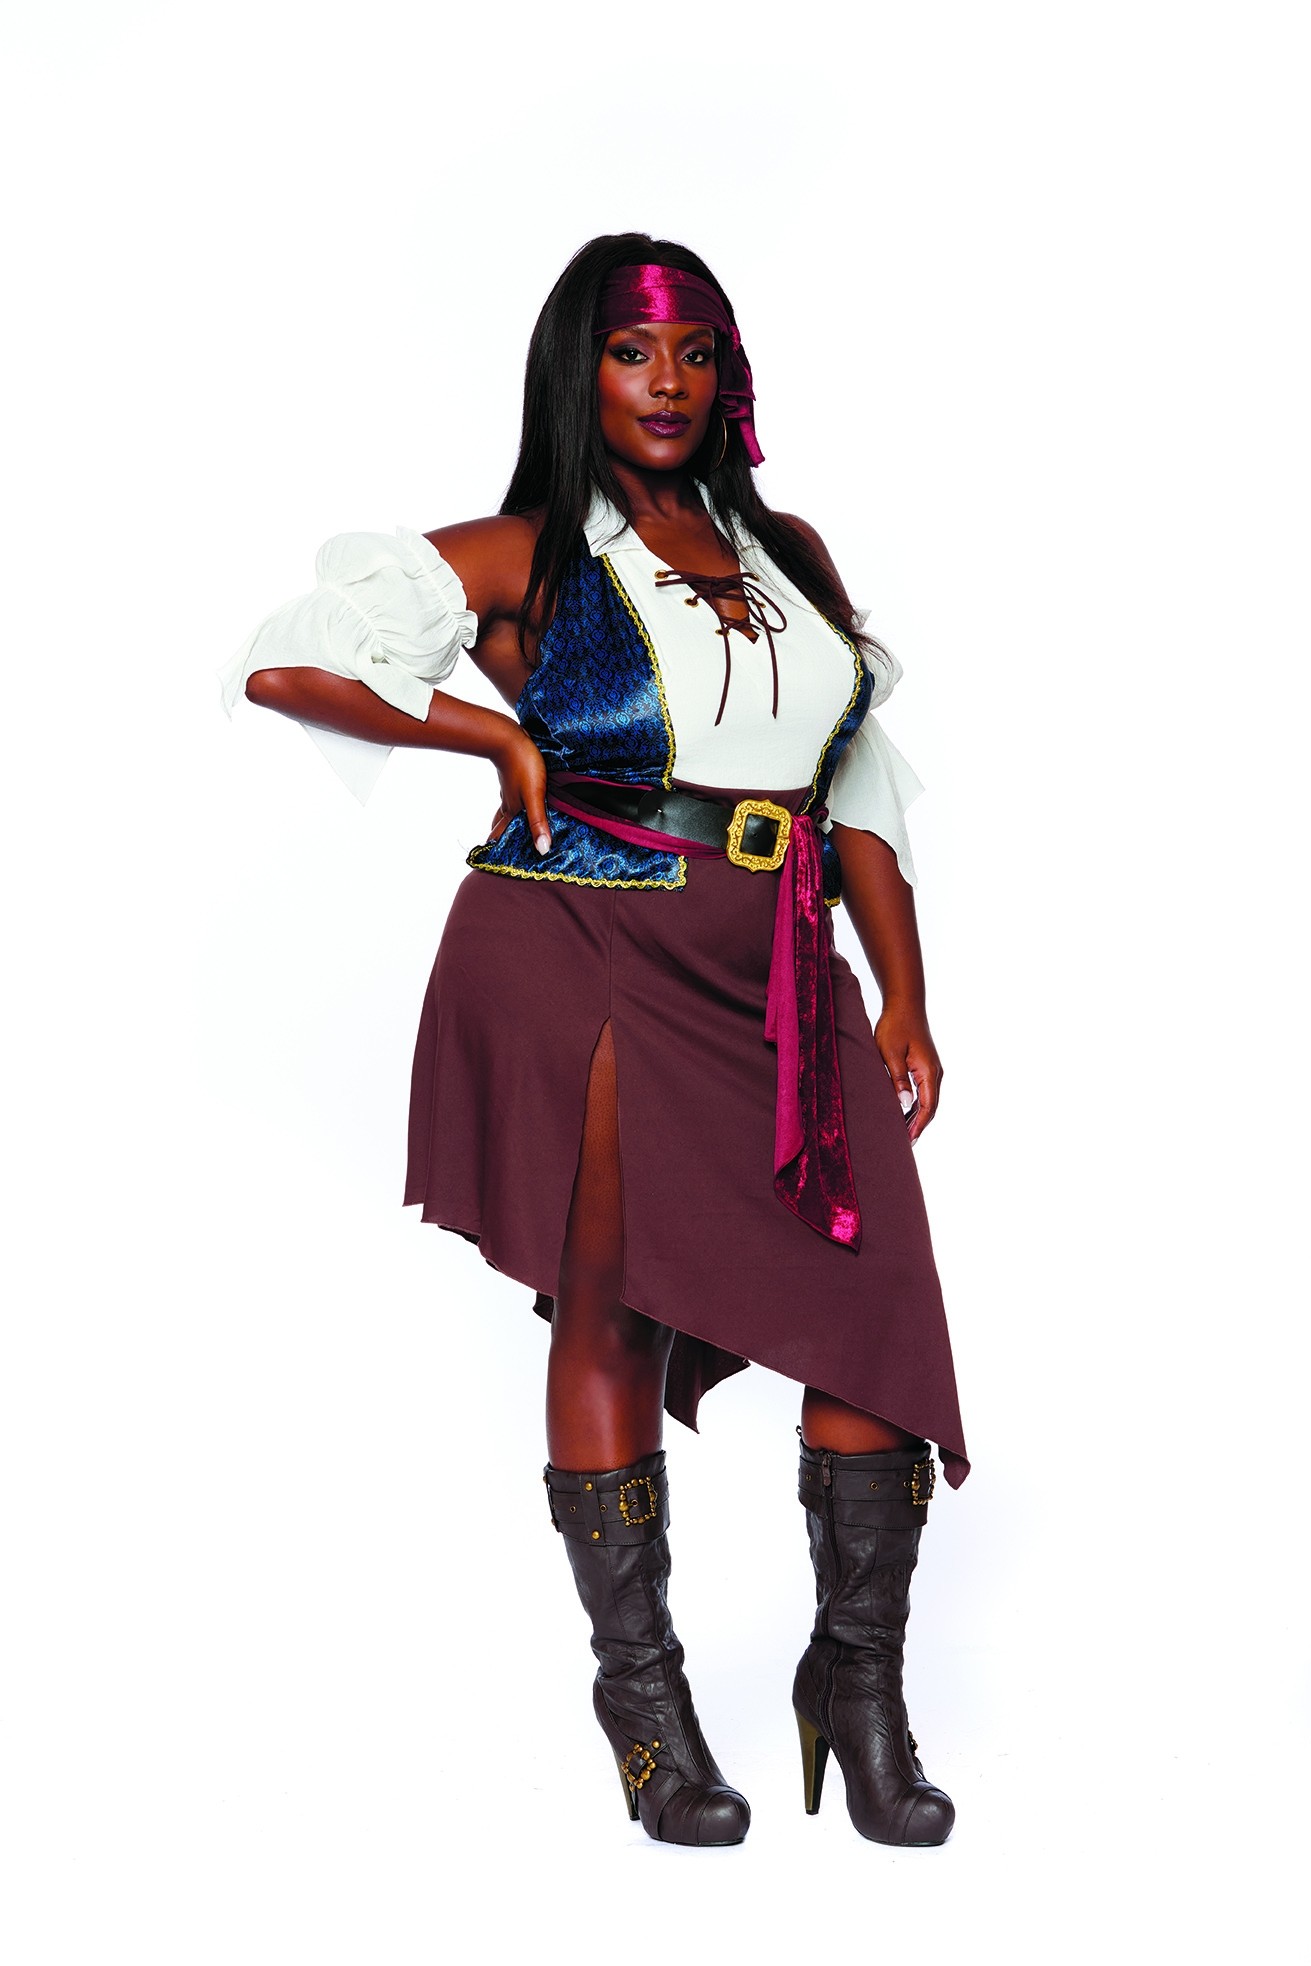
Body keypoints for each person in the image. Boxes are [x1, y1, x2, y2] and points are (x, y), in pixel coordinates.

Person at [219, 232, 970, 1851]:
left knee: (874, 1306)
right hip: (589, 941)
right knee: (616, 1296)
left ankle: (857, 1684)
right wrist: (492, 738)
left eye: (694, 353)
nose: (667, 383)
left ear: (729, 375)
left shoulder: (789, 554)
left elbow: (853, 785)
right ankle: (644, 1703)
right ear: (583, 370)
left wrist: (902, 991)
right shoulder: (531, 552)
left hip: (781, 961)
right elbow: (289, 658)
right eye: (634, 354)